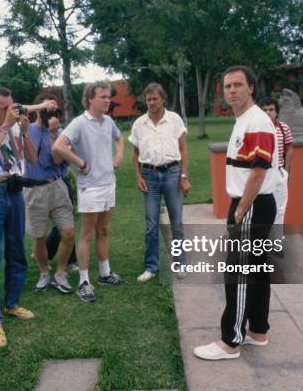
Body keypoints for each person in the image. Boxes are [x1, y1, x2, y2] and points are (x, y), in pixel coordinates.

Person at [194, 66, 278, 360]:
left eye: (238, 85)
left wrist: (241, 209)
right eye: (228, 86)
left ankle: (230, 341)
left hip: (251, 204)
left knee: (238, 271)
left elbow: (259, 171)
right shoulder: (245, 120)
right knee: (255, 268)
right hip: (254, 204)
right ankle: (258, 331)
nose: (231, 90)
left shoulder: (256, 121)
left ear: (251, 88)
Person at [0, 87, 43, 347]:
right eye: (4, 108)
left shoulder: (16, 127)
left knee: (17, 251)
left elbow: (33, 157)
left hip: (15, 191)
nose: (10, 111)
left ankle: (12, 303)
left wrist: (25, 131)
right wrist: (5, 126)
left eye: (12, 106)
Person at [52, 81, 126, 303]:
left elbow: (120, 138)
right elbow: (58, 146)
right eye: (102, 97)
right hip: (90, 187)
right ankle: (84, 282)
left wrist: (119, 155)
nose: (107, 100)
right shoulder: (79, 123)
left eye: (108, 96)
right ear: (90, 99)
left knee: (103, 231)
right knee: (86, 234)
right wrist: (80, 162)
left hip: (108, 183)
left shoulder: (109, 121)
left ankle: (105, 274)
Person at [129, 83, 191, 283]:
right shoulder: (139, 123)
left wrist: (184, 176)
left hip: (173, 173)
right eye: (148, 99)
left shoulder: (174, 119)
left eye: (155, 98)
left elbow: (183, 149)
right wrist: (138, 177)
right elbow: (135, 153)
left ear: (163, 99)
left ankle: (180, 263)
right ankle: (151, 267)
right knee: (151, 225)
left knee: (177, 223)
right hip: (149, 176)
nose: (151, 102)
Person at [23, 93, 75, 293]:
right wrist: (40, 106)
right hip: (34, 188)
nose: (51, 115)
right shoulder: (28, 130)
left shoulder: (61, 134)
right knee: (39, 237)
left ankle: (60, 273)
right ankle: (45, 272)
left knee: (68, 233)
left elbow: (58, 160)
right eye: (47, 110)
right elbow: (35, 160)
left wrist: (54, 134)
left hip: (57, 186)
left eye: (54, 111)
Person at [259, 97, 293, 226]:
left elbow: (289, 149)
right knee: (262, 209)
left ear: (277, 111)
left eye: (271, 109)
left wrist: (286, 171)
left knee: (280, 209)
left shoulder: (284, 128)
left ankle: (276, 240)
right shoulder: (257, 128)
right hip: (262, 173)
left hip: (279, 172)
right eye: (265, 110)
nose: (268, 112)